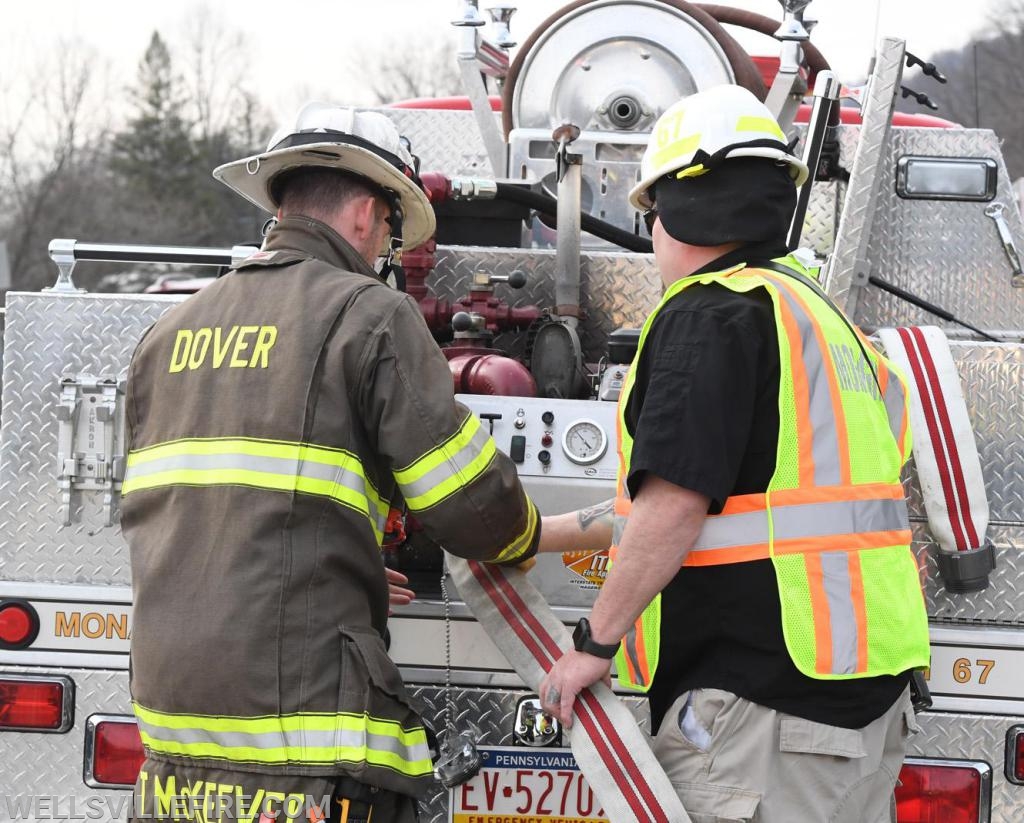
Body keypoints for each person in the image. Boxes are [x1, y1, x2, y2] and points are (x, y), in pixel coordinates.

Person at [121, 102, 540, 823]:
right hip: (309, 759)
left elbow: (191, 508)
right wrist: (526, 533)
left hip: (174, 753)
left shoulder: (167, 331)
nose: (383, 246)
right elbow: (468, 505)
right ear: (364, 214)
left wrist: (328, 552)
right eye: (387, 228)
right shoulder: (366, 313)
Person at [538, 85, 930, 822]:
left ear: (681, 209)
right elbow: (741, 504)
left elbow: (678, 501)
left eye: (650, 215)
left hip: (762, 715)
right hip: (857, 708)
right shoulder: (819, 317)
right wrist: (539, 535)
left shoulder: (708, 313)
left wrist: (596, 639)